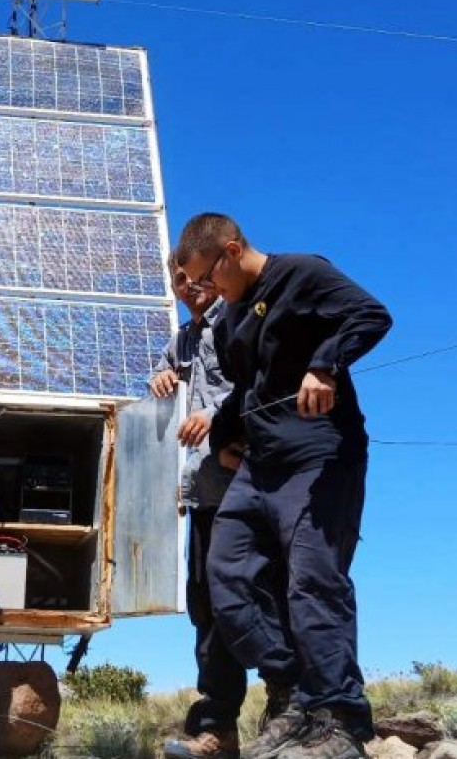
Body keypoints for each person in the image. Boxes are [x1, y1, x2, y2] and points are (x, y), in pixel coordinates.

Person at [172, 213, 393, 759]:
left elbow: (371, 314)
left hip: (320, 455)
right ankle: (295, 691)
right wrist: (225, 435)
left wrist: (325, 365)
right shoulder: (231, 320)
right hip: (258, 467)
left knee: (313, 582)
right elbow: (246, 389)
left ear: (231, 250)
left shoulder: (300, 273)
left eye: (208, 277)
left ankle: (340, 720)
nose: (205, 290)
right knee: (224, 575)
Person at [150, 258, 248, 759]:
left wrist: (215, 415)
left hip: (251, 490)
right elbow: (167, 369)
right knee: (207, 607)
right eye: (179, 282)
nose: (190, 288)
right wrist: (162, 375)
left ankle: (295, 714)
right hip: (205, 496)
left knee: (258, 600)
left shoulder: (243, 320)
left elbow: (263, 385)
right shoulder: (183, 341)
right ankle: (218, 729)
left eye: (197, 278)